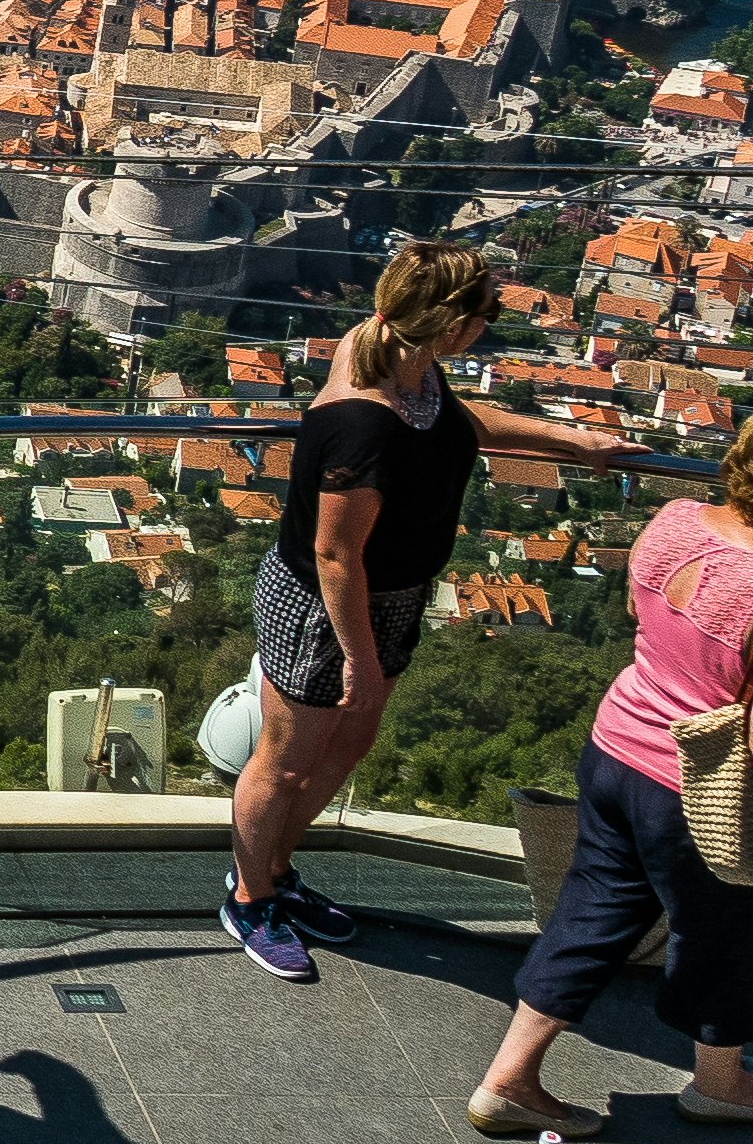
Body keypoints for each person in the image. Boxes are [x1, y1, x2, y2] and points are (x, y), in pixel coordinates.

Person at [230, 242, 625, 983]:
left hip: (390, 598)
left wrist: (570, 440)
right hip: (327, 610)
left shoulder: (401, 357)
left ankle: (279, 873)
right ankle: (250, 897)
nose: (491, 323)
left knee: (345, 750)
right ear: (452, 328)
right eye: (487, 313)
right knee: (284, 765)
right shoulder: (363, 422)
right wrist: (359, 658)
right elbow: (335, 557)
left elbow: (457, 420)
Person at [464, 425, 753, 1132]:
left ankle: (508, 1079)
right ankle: (718, 1083)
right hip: (698, 784)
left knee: (594, 910)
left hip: (618, 745)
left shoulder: (675, 521)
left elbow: (637, 615)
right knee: (726, 931)